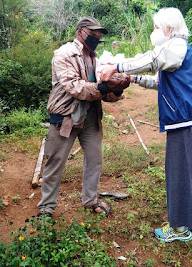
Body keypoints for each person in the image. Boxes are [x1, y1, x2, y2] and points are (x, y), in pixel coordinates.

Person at [100, 7, 192, 242]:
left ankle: (180, 227)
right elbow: (159, 81)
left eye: (156, 27)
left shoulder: (175, 46)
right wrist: (134, 78)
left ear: (168, 28)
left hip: (183, 118)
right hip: (190, 116)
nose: (154, 31)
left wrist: (118, 66)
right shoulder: (175, 50)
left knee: (180, 170)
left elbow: (152, 61)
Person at [37, 16, 130, 218]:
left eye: (99, 36)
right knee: (55, 162)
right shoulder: (64, 54)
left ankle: (90, 201)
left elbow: (103, 94)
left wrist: (118, 90)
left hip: (90, 117)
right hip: (66, 117)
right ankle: (46, 208)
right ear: (80, 32)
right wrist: (104, 87)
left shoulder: (97, 59)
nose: (96, 38)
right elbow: (75, 87)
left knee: (95, 159)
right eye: (93, 34)